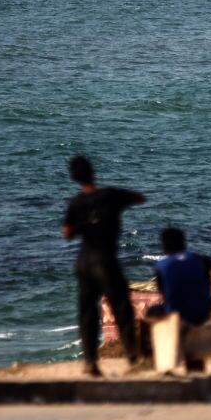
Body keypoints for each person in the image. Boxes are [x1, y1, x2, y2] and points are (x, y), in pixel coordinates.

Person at [62, 155, 145, 377]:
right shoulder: (111, 196)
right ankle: (132, 357)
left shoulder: (75, 203)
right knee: (122, 308)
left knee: (87, 312)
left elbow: (67, 234)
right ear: (93, 172)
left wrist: (84, 223)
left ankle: (90, 362)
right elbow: (139, 198)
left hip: (84, 262)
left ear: (74, 177)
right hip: (105, 260)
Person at [148, 228, 211, 325]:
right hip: (203, 312)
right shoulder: (200, 259)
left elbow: (163, 292)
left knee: (152, 311)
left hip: (178, 315)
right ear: (183, 243)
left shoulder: (161, 265)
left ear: (164, 245)